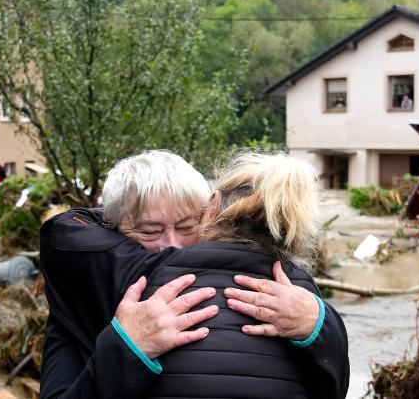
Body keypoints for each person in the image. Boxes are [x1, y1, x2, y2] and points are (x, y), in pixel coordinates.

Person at [40, 150, 348, 399]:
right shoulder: (82, 288)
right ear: (110, 228)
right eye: (150, 230)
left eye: (187, 227)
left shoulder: (291, 295)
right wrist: (127, 347)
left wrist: (318, 323)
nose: (171, 246)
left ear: (210, 214)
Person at [137, 152, 346, 398]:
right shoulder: (301, 297)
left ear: (213, 204)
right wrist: (322, 322)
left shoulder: (148, 276)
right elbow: (332, 389)